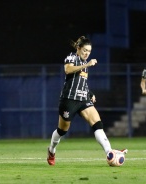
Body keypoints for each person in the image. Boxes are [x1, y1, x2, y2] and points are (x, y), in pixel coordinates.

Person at [46, 36, 127, 166]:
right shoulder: (72, 57)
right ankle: (51, 150)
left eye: (89, 51)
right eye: (84, 50)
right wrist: (87, 64)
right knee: (62, 131)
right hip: (69, 100)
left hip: (83, 99)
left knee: (97, 123)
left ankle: (109, 152)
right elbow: (67, 70)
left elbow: (81, 82)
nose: (87, 53)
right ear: (78, 49)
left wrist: (89, 93)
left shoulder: (85, 64)